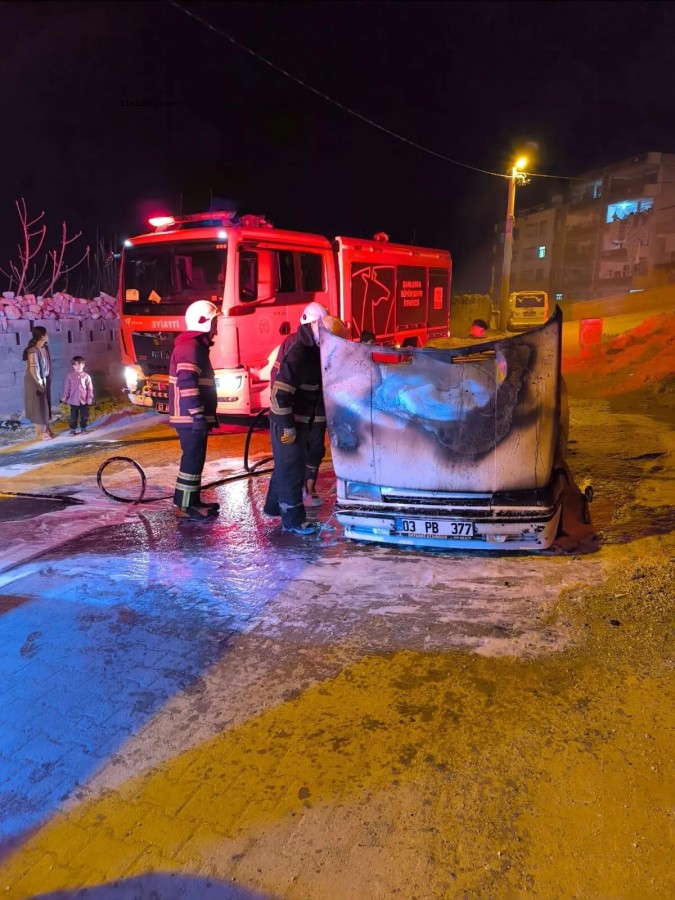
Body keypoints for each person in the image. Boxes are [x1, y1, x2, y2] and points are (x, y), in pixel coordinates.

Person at [263, 301, 330, 535]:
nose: (326, 331)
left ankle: (273, 507)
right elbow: (281, 393)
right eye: (322, 325)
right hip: (288, 422)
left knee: (286, 465)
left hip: (297, 420)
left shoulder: (310, 347)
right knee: (292, 469)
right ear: (312, 324)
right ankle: (293, 520)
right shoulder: (301, 350)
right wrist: (288, 427)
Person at [168, 300, 221, 522]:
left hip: (191, 417)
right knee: (191, 460)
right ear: (205, 323)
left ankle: (191, 501)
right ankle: (185, 506)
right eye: (215, 322)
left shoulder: (194, 346)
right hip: (190, 418)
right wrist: (198, 414)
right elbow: (187, 384)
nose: (217, 327)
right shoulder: (190, 348)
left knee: (194, 460)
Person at [23, 326, 55, 441]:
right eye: (46, 334)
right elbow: (34, 369)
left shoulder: (44, 348)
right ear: (42, 336)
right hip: (35, 382)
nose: (48, 335)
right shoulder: (33, 351)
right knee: (38, 406)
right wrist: (40, 383)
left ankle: (47, 430)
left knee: (45, 405)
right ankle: (40, 432)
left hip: (44, 379)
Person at [60, 356, 94, 435]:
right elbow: (67, 388)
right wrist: (65, 397)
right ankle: (73, 429)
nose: (77, 366)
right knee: (73, 416)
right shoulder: (70, 376)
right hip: (73, 400)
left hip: (84, 400)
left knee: (84, 415)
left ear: (83, 365)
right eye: (75, 365)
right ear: (73, 366)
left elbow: (90, 389)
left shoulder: (86, 377)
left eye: (79, 364)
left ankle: (83, 428)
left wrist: (90, 398)